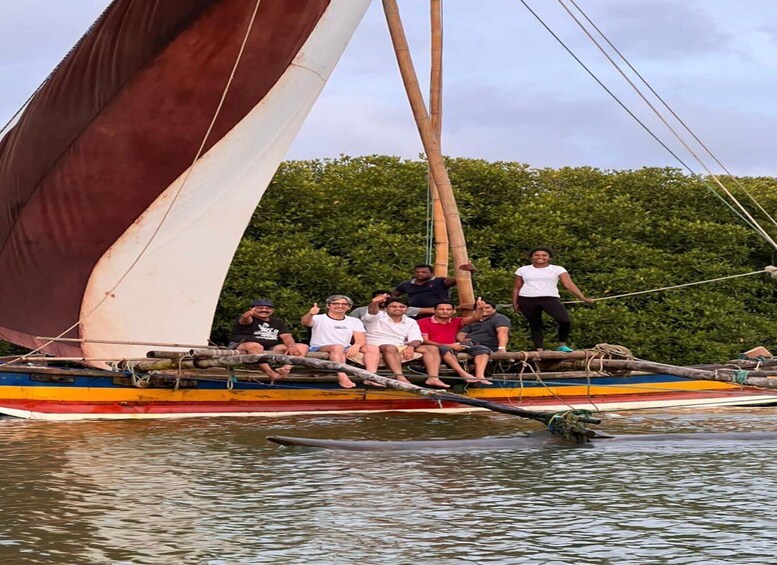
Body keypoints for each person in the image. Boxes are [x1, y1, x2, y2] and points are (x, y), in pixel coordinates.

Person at [512, 246, 594, 352]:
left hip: (549, 298)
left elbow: (568, 284)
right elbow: (517, 287)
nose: (540, 257)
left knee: (564, 320)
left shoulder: (557, 269)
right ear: (531, 257)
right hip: (527, 298)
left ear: (549, 258)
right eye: (536, 255)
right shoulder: (523, 269)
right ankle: (539, 349)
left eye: (544, 255)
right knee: (535, 324)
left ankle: (562, 344)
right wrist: (515, 303)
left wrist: (582, 297)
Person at [361, 296, 450, 388]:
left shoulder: (410, 321)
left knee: (432, 348)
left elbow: (416, 338)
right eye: (393, 306)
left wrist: (411, 347)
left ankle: (433, 378)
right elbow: (372, 312)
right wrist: (374, 303)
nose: (398, 309)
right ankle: (399, 377)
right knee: (390, 347)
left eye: (401, 307)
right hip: (377, 344)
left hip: (400, 345)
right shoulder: (377, 316)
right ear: (386, 308)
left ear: (407, 309)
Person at [229, 299, 309, 381]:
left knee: (303, 347)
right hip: (243, 346)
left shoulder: (278, 322)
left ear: (273, 310)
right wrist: (246, 315)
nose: (264, 310)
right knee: (255, 346)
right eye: (260, 308)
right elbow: (245, 320)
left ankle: (285, 369)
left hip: (270, 347)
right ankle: (270, 373)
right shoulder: (247, 318)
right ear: (251, 309)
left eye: (268, 308)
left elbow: (286, 336)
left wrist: (291, 346)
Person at [417, 299, 491, 385]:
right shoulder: (423, 322)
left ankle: (480, 375)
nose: (445, 311)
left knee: (482, 349)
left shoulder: (456, 321)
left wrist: (479, 309)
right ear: (434, 310)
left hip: (455, 346)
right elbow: (425, 341)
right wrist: (450, 345)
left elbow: (475, 318)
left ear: (453, 311)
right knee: (444, 348)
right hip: (437, 349)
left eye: (448, 309)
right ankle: (463, 374)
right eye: (441, 309)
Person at [301, 295, 366, 389]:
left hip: (344, 349)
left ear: (349, 307)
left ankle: (372, 375)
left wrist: (356, 345)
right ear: (328, 305)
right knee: (338, 347)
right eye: (336, 303)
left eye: (344, 304)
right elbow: (305, 322)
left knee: (371, 348)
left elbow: (361, 339)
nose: (340, 306)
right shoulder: (319, 318)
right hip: (319, 347)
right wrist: (311, 314)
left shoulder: (354, 321)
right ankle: (342, 375)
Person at [456, 300, 512, 383]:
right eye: (481, 308)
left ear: (494, 309)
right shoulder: (473, 320)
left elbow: (503, 333)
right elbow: (460, 334)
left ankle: (479, 376)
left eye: (487, 307)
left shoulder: (499, 318)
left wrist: (502, 348)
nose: (484, 310)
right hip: (469, 345)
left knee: (482, 350)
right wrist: (463, 340)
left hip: (486, 347)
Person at [392, 263, 476, 309]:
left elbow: (457, 280)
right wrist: (398, 304)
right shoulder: (406, 284)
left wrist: (471, 271)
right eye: (417, 272)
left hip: (437, 313)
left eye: (424, 272)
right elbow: (394, 294)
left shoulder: (439, 281)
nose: (420, 274)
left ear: (432, 273)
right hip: (414, 313)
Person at [349, 290, 433, 320]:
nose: (383, 300)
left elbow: (433, 310)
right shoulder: (360, 311)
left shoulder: (399, 308)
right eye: (380, 298)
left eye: (386, 298)